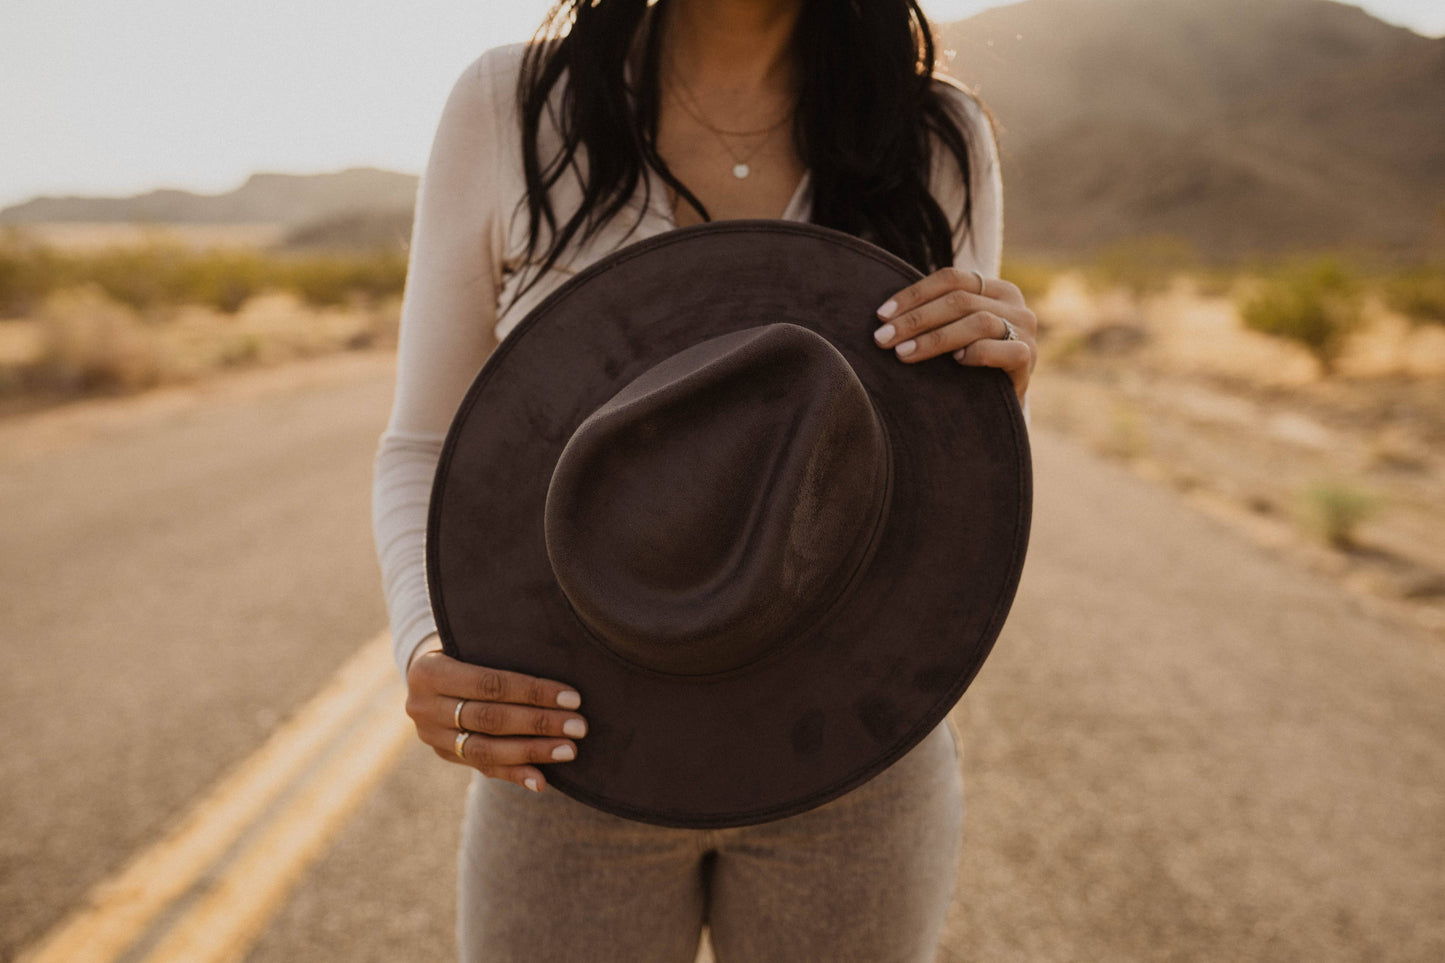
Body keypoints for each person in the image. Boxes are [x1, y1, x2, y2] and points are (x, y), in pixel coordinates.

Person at [372, 0, 1037, 959]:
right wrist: (421, 642)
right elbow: (423, 441)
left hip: (856, 757)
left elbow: (938, 461)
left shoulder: (934, 132)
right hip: (570, 749)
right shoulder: (510, 106)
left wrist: (999, 387)